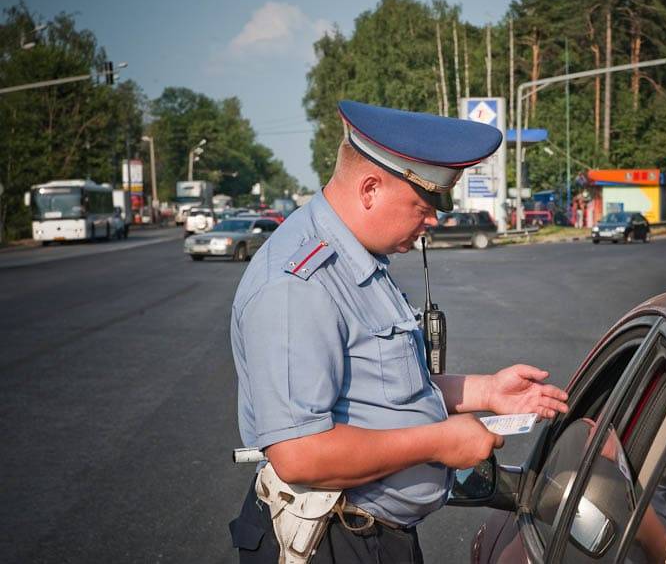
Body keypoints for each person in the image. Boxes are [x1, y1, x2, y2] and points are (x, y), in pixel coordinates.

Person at [229, 100, 569, 564]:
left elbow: (384, 391)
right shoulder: (297, 285)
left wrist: (487, 391)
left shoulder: (358, 260)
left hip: (369, 536)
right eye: (425, 203)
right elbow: (299, 454)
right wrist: (440, 440)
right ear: (370, 188)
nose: (434, 220)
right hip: (331, 542)